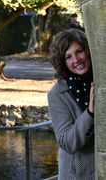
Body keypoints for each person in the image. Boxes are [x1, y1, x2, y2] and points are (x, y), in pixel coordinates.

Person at [48, 29, 94, 180]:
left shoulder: (100, 80)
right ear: (63, 62)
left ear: (88, 50)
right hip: (78, 175)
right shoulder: (57, 94)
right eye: (68, 57)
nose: (76, 60)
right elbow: (67, 143)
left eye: (79, 51)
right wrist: (90, 112)